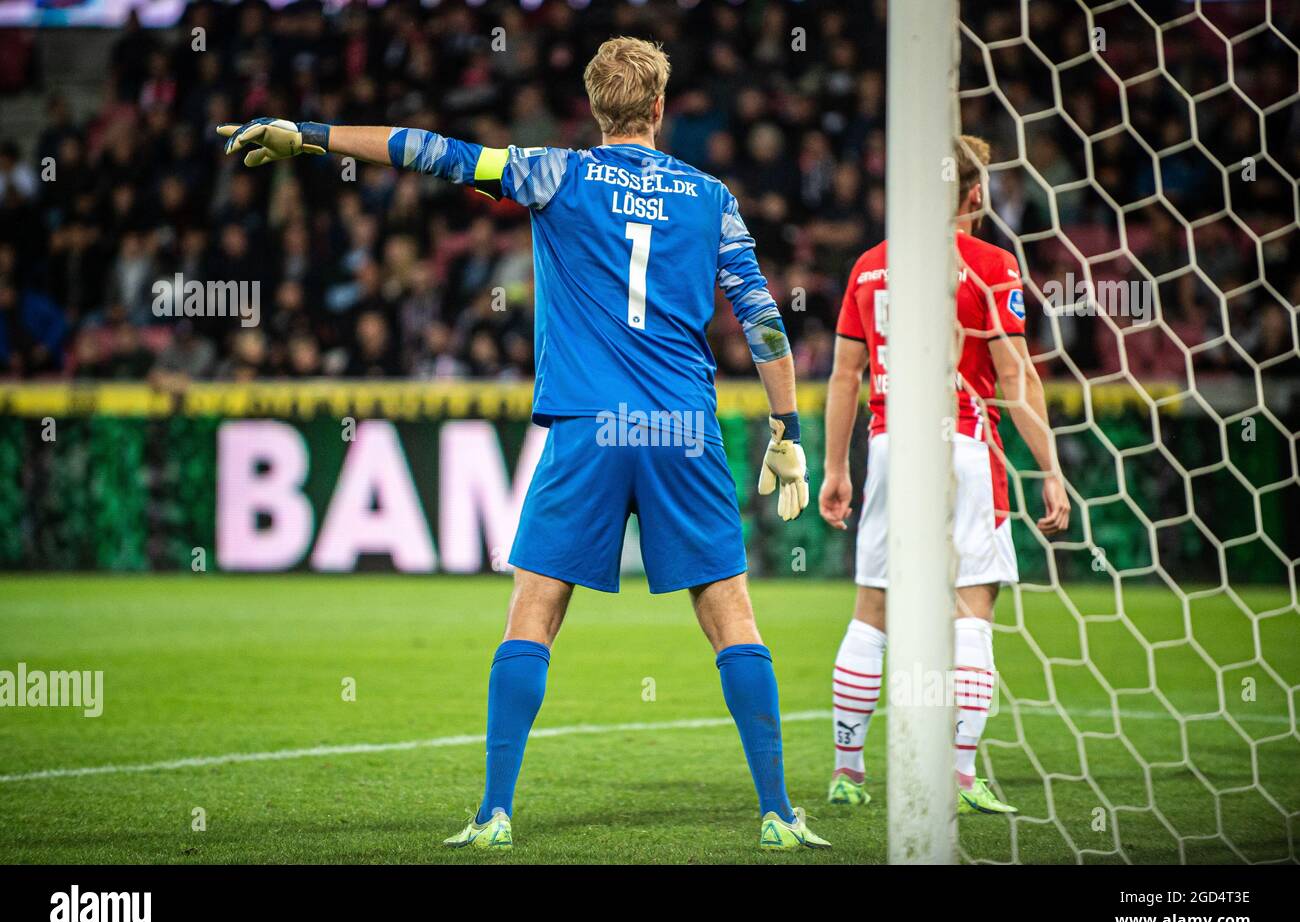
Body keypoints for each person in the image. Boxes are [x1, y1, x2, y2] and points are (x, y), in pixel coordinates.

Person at [218, 36, 827, 852]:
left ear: (595, 107)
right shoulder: (711, 196)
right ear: (656, 109)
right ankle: (780, 814)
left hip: (588, 427)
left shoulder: (555, 173)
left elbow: (429, 150)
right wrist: (786, 429)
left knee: (531, 619)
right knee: (733, 619)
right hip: (682, 427)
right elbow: (761, 318)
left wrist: (311, 134)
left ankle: (495, 812)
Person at [818, 135, 1071, 815]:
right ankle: (959, 774)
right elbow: (1015, 375)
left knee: (873, 607)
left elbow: (846, 374)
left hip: (891, 444)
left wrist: (836, 466)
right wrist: (1049, 467)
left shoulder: (869, 268)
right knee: (973, 611)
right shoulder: (991, 264)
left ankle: (848, 772)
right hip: (963, 443)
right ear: (976, 193)